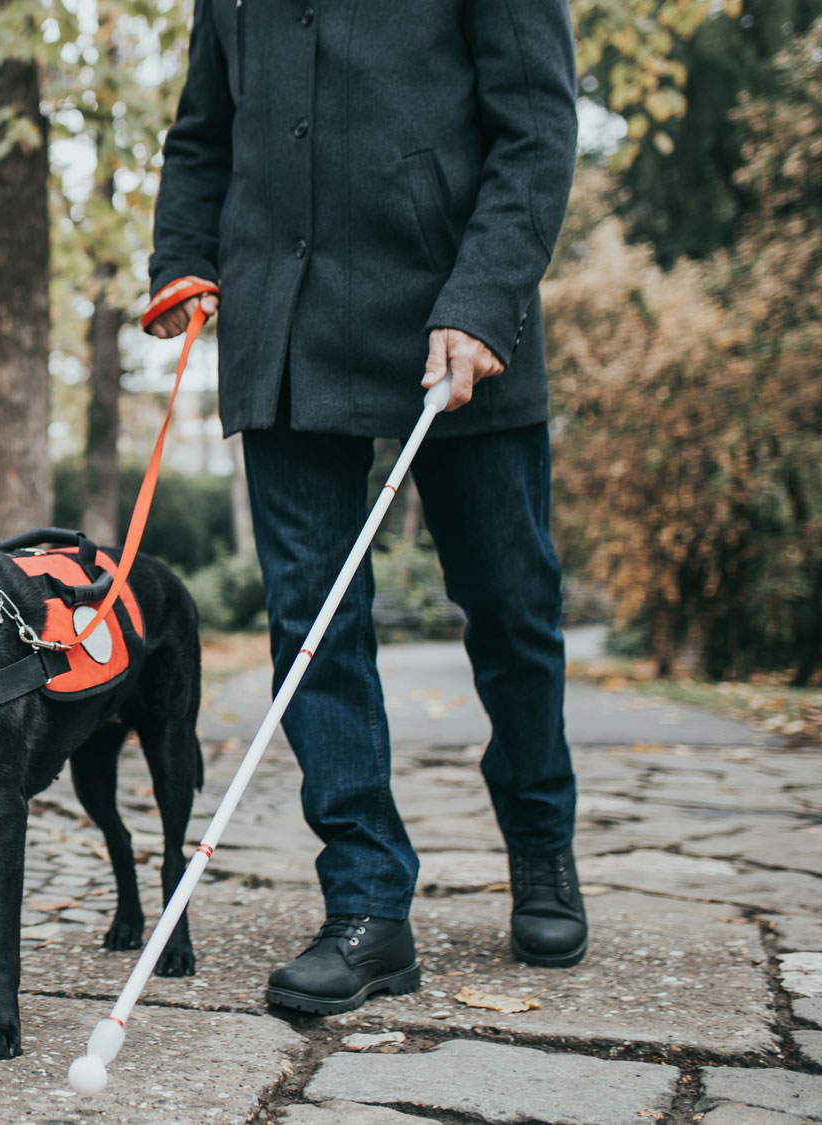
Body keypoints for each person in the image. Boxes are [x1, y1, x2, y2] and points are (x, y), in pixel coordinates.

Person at [144, 0, 585, 1015]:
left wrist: (480, 302)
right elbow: (202, 131)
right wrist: (182, 258)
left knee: (512, 607)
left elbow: (535, 128)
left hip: (456, 321)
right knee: (310, 622)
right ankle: (366, 906)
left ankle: (540, 843)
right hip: (284, 324)